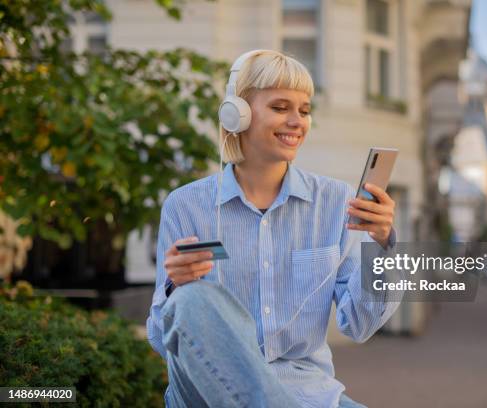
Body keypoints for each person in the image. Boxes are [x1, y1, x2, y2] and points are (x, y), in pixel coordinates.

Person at [146, 49, 400, 408]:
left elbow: (359, 325)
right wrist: (175, 288)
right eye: (281, 108)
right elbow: (161, 339)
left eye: (305, 110)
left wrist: (384, 246)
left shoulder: (334, 203)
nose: (297, 121)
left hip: (307, 393)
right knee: (191, 299)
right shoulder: (186, 206)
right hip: (205, 393)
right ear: (238, 115)